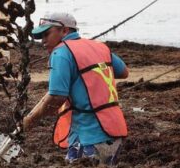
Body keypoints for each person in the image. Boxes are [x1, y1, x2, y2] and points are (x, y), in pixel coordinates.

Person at [22, 12, 129, 166]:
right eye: (41, 37)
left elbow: (56, 98)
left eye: (47, 34)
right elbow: (123, 72)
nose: (43, 41)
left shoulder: (61, 53)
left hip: (91, 134)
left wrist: (29, 121)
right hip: (112, 129)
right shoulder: (99, 47)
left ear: (64, 31)